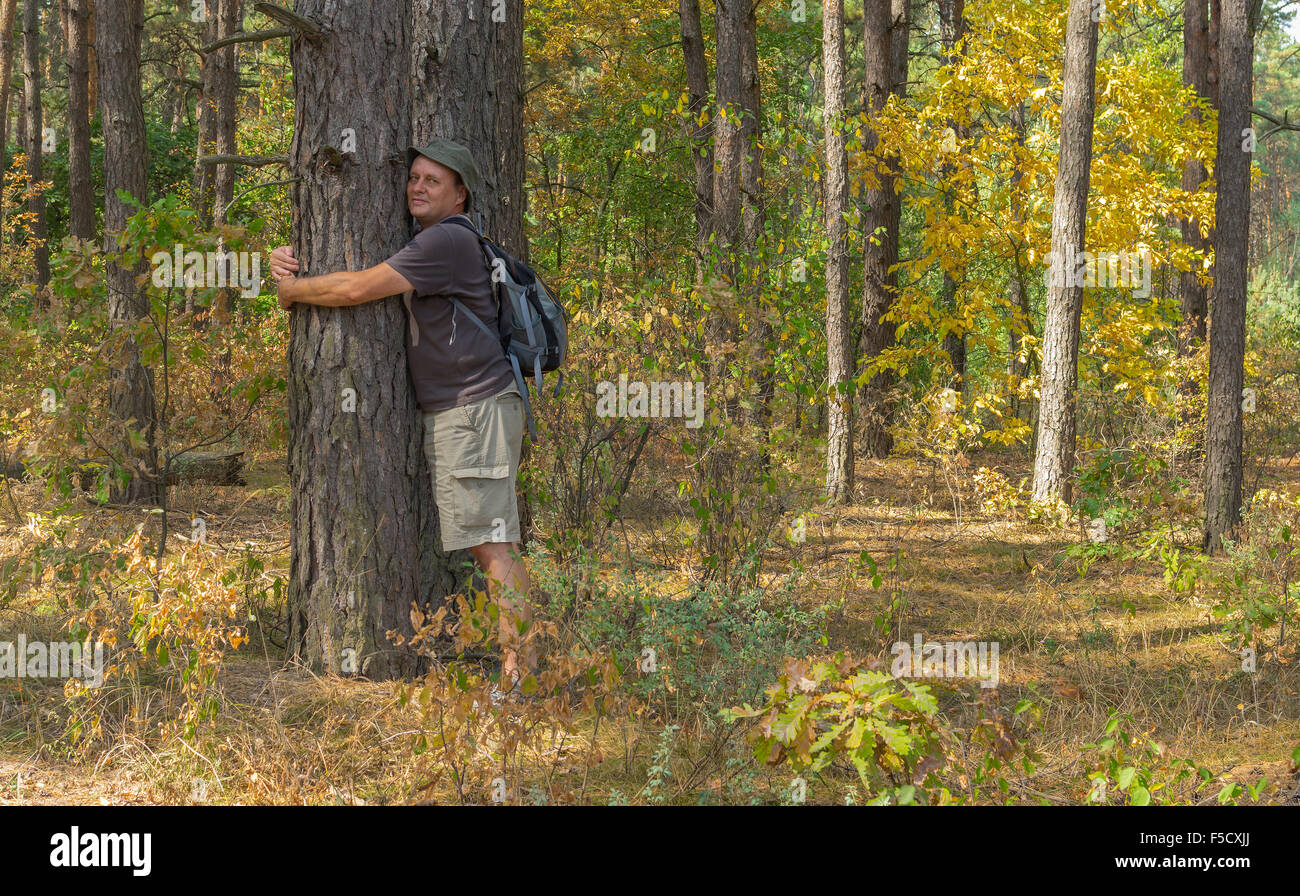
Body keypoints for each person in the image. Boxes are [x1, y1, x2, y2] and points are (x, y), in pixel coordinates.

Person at [269, 139, 536, 688]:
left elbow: (357, 288)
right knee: (494, 542)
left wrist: (292, 290)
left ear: (460, 194)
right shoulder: (434, 240)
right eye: (414, 177)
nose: (417, 186)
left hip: (474, 411)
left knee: (494, 547)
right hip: (467, 410)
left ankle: (519, 679)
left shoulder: (446, 241)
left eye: (433, 180)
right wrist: (285, 262)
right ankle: (518, 671)